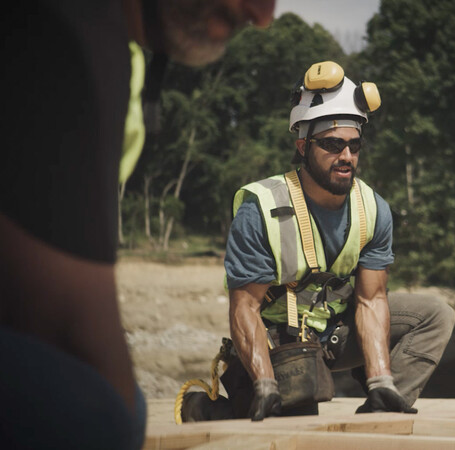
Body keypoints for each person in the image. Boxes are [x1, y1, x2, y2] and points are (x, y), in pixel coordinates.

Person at [1, 0, 275, 447]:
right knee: (101, 413)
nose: (263, 17)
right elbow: (73, 326)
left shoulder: (108, 46)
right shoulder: (71, 38)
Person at [181, 61, 455, 421]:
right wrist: (265, 382)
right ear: (303, 145)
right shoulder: (261, 208)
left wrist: (381, 379)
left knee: (435, 315)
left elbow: (371, 300)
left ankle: (381, 407)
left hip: (338, 331)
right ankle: (212, 408)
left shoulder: (373, 208)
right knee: (293, 414)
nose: (346, 157)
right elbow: (245, 307)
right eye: (332, 144)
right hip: (282, 342)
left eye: (354, 146)